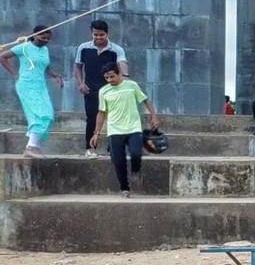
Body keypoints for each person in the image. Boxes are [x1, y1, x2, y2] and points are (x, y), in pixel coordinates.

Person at [89, 63, 161, 197]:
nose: (110, 80)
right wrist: (96, 133)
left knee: (135, 152)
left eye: (112, 76)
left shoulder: (131, 86)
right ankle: (124, 188)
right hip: (115, 130)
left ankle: (136, 171)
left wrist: (154, 116)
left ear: (119, 74)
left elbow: (145, 100)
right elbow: (101, 112)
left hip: (133, 127)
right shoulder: (104, 91)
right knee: (118, 160)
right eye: (107, 78)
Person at [0, 25, 62, 158]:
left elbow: (45, 68)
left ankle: (34, 146)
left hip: (40, 86)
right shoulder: (24, 47)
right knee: (38, 114)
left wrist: (56, 76)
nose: (45, 40)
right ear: (34, 35)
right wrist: (15, 74)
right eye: (42, 37)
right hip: (26, 85)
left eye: (47, 38)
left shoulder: (45, 50)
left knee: (48, 114)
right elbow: (2, 56)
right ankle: (31, 147)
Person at [74, 20, 128, 157]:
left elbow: (122, 64)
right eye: (95, 35)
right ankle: (90, 149)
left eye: (101, 35)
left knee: (114, 119)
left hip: (111, 90)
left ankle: (113, 149)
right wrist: (80, 83)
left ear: (107, 34)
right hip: (91, 90)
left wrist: (125, 78)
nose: (98, 38)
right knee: (91, 119)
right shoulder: (84, 48)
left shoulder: (116, 49)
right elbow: (78, 67)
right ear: (92, 33)